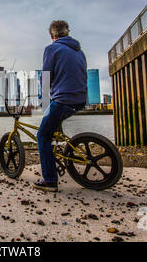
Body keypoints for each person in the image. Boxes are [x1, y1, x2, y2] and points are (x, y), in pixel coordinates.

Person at [34, 21, 87, 192]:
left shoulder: (52, 49)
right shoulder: (80, 52)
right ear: (68, 32)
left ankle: (49, 180)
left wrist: (43, 101)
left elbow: (46, 77)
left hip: (63, 99)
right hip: (80, 99)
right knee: (55, 123)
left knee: (42, 136)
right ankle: (58, 149)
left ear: (52, 36)